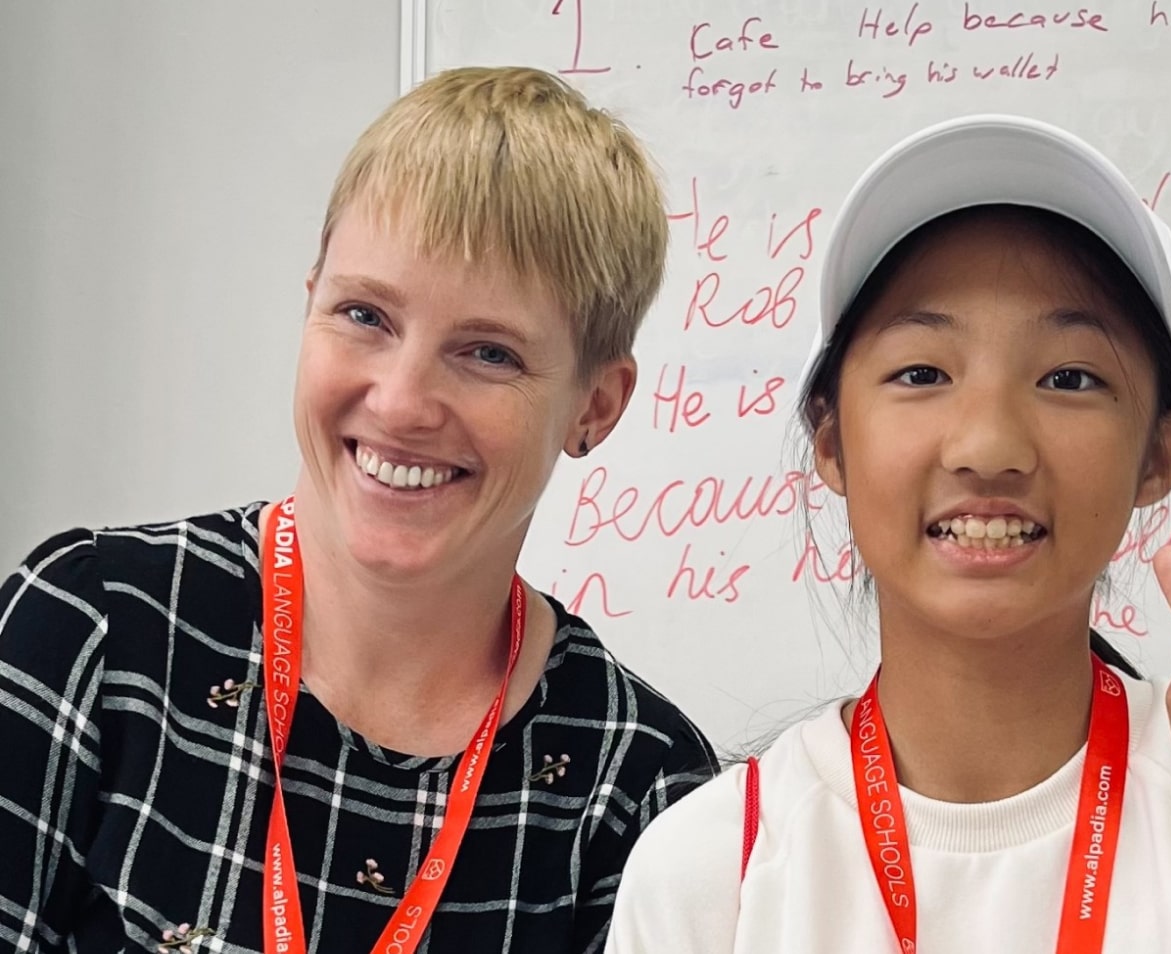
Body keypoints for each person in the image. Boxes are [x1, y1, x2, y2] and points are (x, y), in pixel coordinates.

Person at [603, 115, 1171, 953]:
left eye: (1070, 378)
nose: (988, 447)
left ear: (1160, 452)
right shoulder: (715, 871)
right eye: (923, 372)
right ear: (832, 441)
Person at [0, 67, 716, 954]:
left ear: (595, 407)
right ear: (310, 302)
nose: (402, 402)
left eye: (489, 353)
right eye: (365, 315)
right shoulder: (95, 631)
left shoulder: (640, 790)